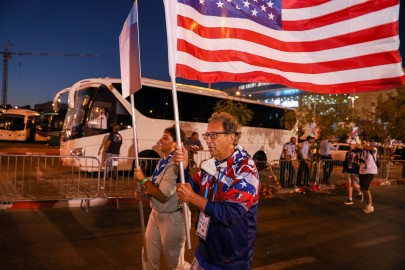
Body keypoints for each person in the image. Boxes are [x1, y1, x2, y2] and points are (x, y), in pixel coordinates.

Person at [174, 112, 260, 270]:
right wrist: (183, 167)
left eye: (213, 135)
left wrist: (192, 198)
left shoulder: (245, 170)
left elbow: (230, 214)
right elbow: (188, 186)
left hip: (229, 261)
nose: (207, 140)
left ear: (231, 137)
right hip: (204, 253)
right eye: (207, 135)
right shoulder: (211, 165)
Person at [134, 125, 190, 270]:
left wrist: (143, 180)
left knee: (175, 265)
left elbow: (163, 195)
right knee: (148, 256)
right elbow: (155, 185)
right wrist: (144, 192)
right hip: (156, 214)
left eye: (166, 137)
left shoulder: (175, 165)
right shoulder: (162, 161)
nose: (160, 140)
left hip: (173, 218)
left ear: (176, 144)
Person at [358, 139, 378, 214]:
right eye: (362, 143)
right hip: (363, 171)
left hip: (371, 171)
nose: (362, 144)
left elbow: (372, 149)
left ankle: (370, 205)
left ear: (368, 143)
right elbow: (361, 161)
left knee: (365, 187)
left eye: (364, 143)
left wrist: (364, 146)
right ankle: (367, 205)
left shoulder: (373, 149)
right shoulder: (362, 151)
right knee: (363, 188)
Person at [342, 140, 363, 205]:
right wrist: (343, 170)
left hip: (355, 170)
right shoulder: (347, 153)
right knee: (349, 184)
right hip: (349, 170)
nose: (350, 145)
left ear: (354, 144)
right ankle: (350, 199)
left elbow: (360, 159)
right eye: (350, 144)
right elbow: (345, 162)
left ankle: (360, 193)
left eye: (352, 144)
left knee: (354, 184)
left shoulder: (358, 151)